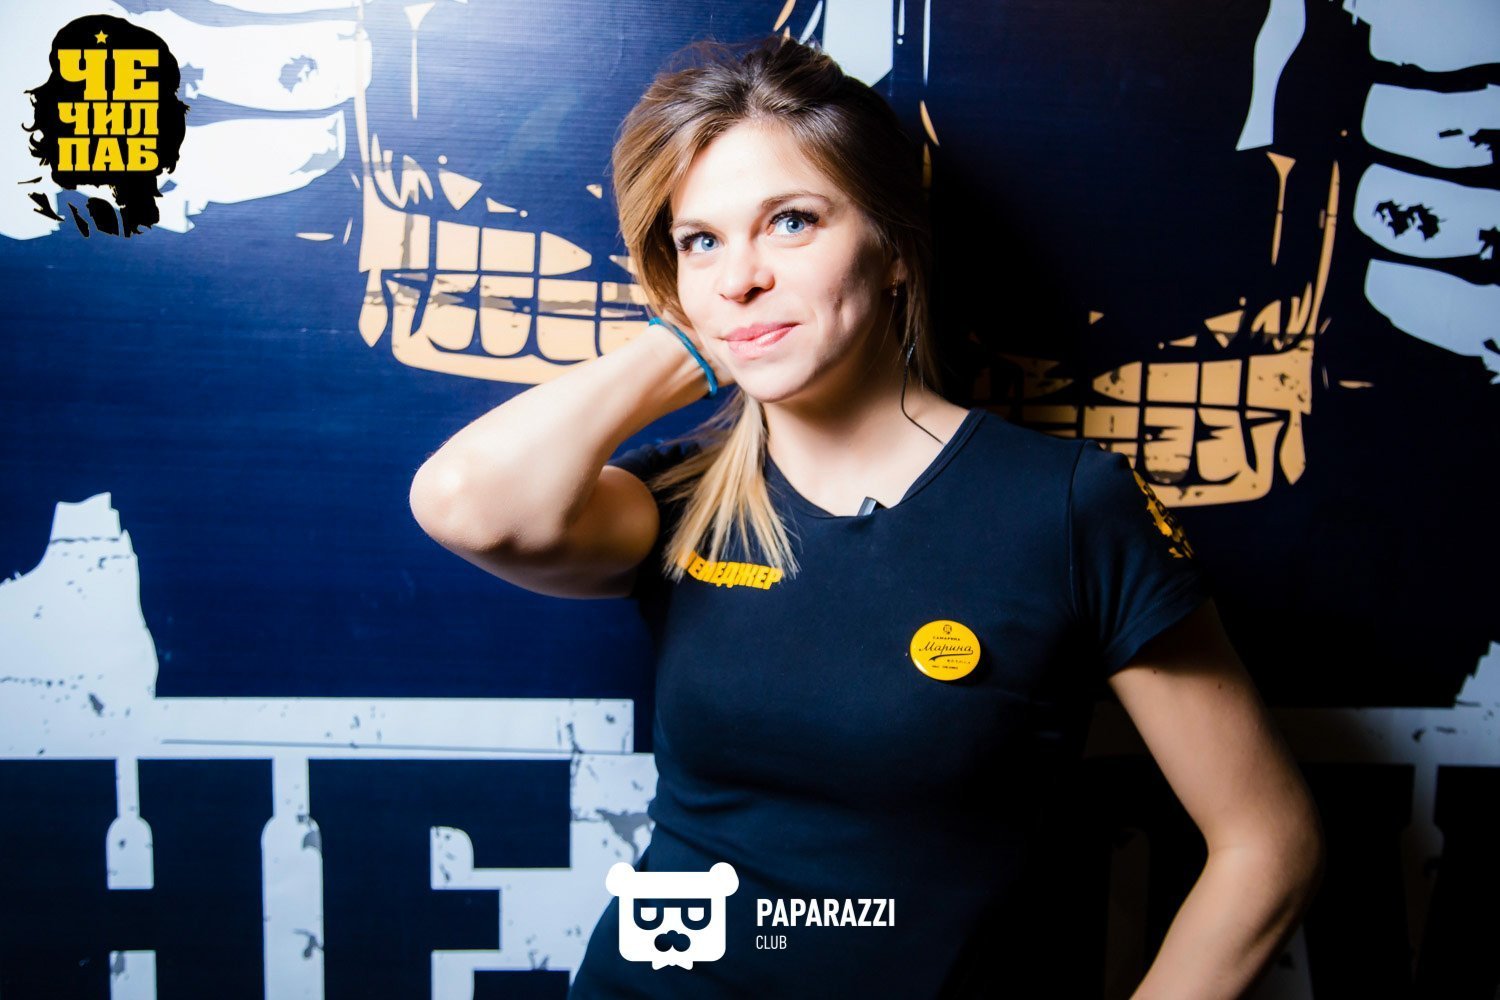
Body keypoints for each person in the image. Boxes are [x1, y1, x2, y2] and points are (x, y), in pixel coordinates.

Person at [408, 34, 1325, 999]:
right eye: (701, 240)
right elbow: (463, 502)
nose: (740, 274)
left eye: (791, 222)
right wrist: (697, 334)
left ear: (890, 245)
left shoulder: (1067, 507)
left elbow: (1269, 843)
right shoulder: (679, 501)